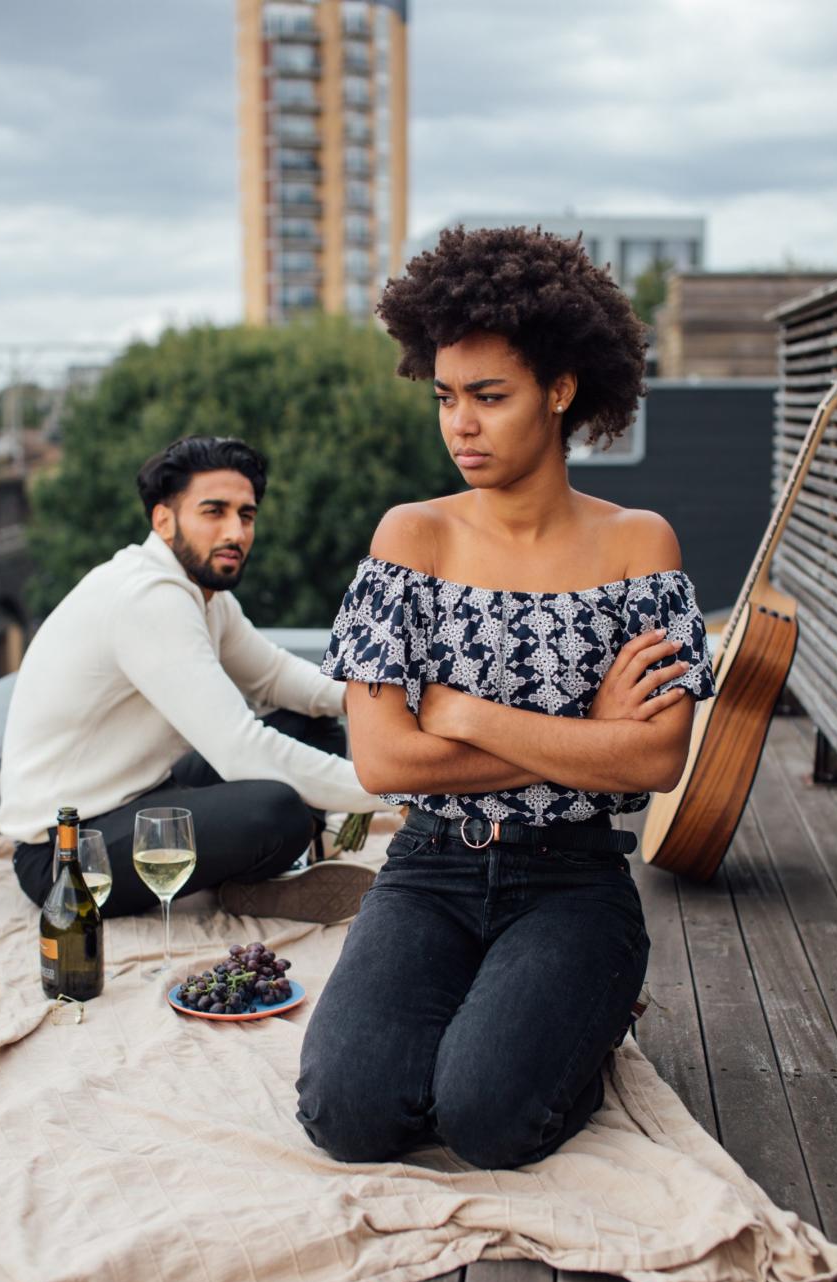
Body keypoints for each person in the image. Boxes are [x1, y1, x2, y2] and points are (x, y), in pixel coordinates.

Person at [296, 226, 716, 1169]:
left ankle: (584, 1013)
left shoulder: (638, 545)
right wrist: (584, 736)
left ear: (560, 392)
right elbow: (382, 761)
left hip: (574, 879)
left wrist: (467, 712)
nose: (460, 425)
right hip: (432, 869)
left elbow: (655, 758)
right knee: (347, 1115)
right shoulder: (412, 538)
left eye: (490, 397)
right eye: (447, 397)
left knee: (487, 1121)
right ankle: (524, 1017)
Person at [0, 435, 387, 923]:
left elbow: (274, 677)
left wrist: (386, 701)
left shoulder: (202, 594)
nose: (236, 532)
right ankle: (272, 865)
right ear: (164, 520)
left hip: (144, 797)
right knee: (276, 808)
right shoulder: (147, 598)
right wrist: (393, 785)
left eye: (246, 515)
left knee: (309, 723)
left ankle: (271, 877)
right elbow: (240, 750)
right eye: (213, 512)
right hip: (67, 855)